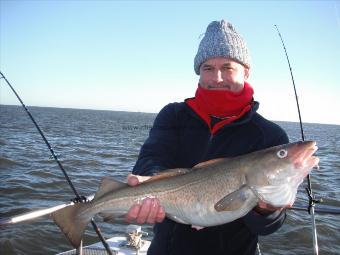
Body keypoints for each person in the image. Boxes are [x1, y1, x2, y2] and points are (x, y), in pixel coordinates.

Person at [125, 19, 289, 255]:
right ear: (198, 72)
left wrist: (267, 210)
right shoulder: (173, 115)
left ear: (246, 71)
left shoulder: (269, 136)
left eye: (228, 67)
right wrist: (150, 188)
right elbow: (151, 159)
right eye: (208, 68)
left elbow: (268, 227)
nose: (217, 78)